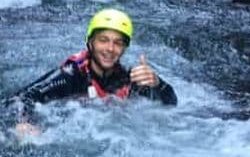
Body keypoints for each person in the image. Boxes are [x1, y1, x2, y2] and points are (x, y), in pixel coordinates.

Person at [12, 9, 177, 136]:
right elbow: (22, 99)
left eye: (118, 43)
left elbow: (171, 104)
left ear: (124, 48)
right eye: (103, 40)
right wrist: (24, 122)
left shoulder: (129, 79)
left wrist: (158, 84)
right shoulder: (70, 75)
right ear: (90, 43)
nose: (110, 49)